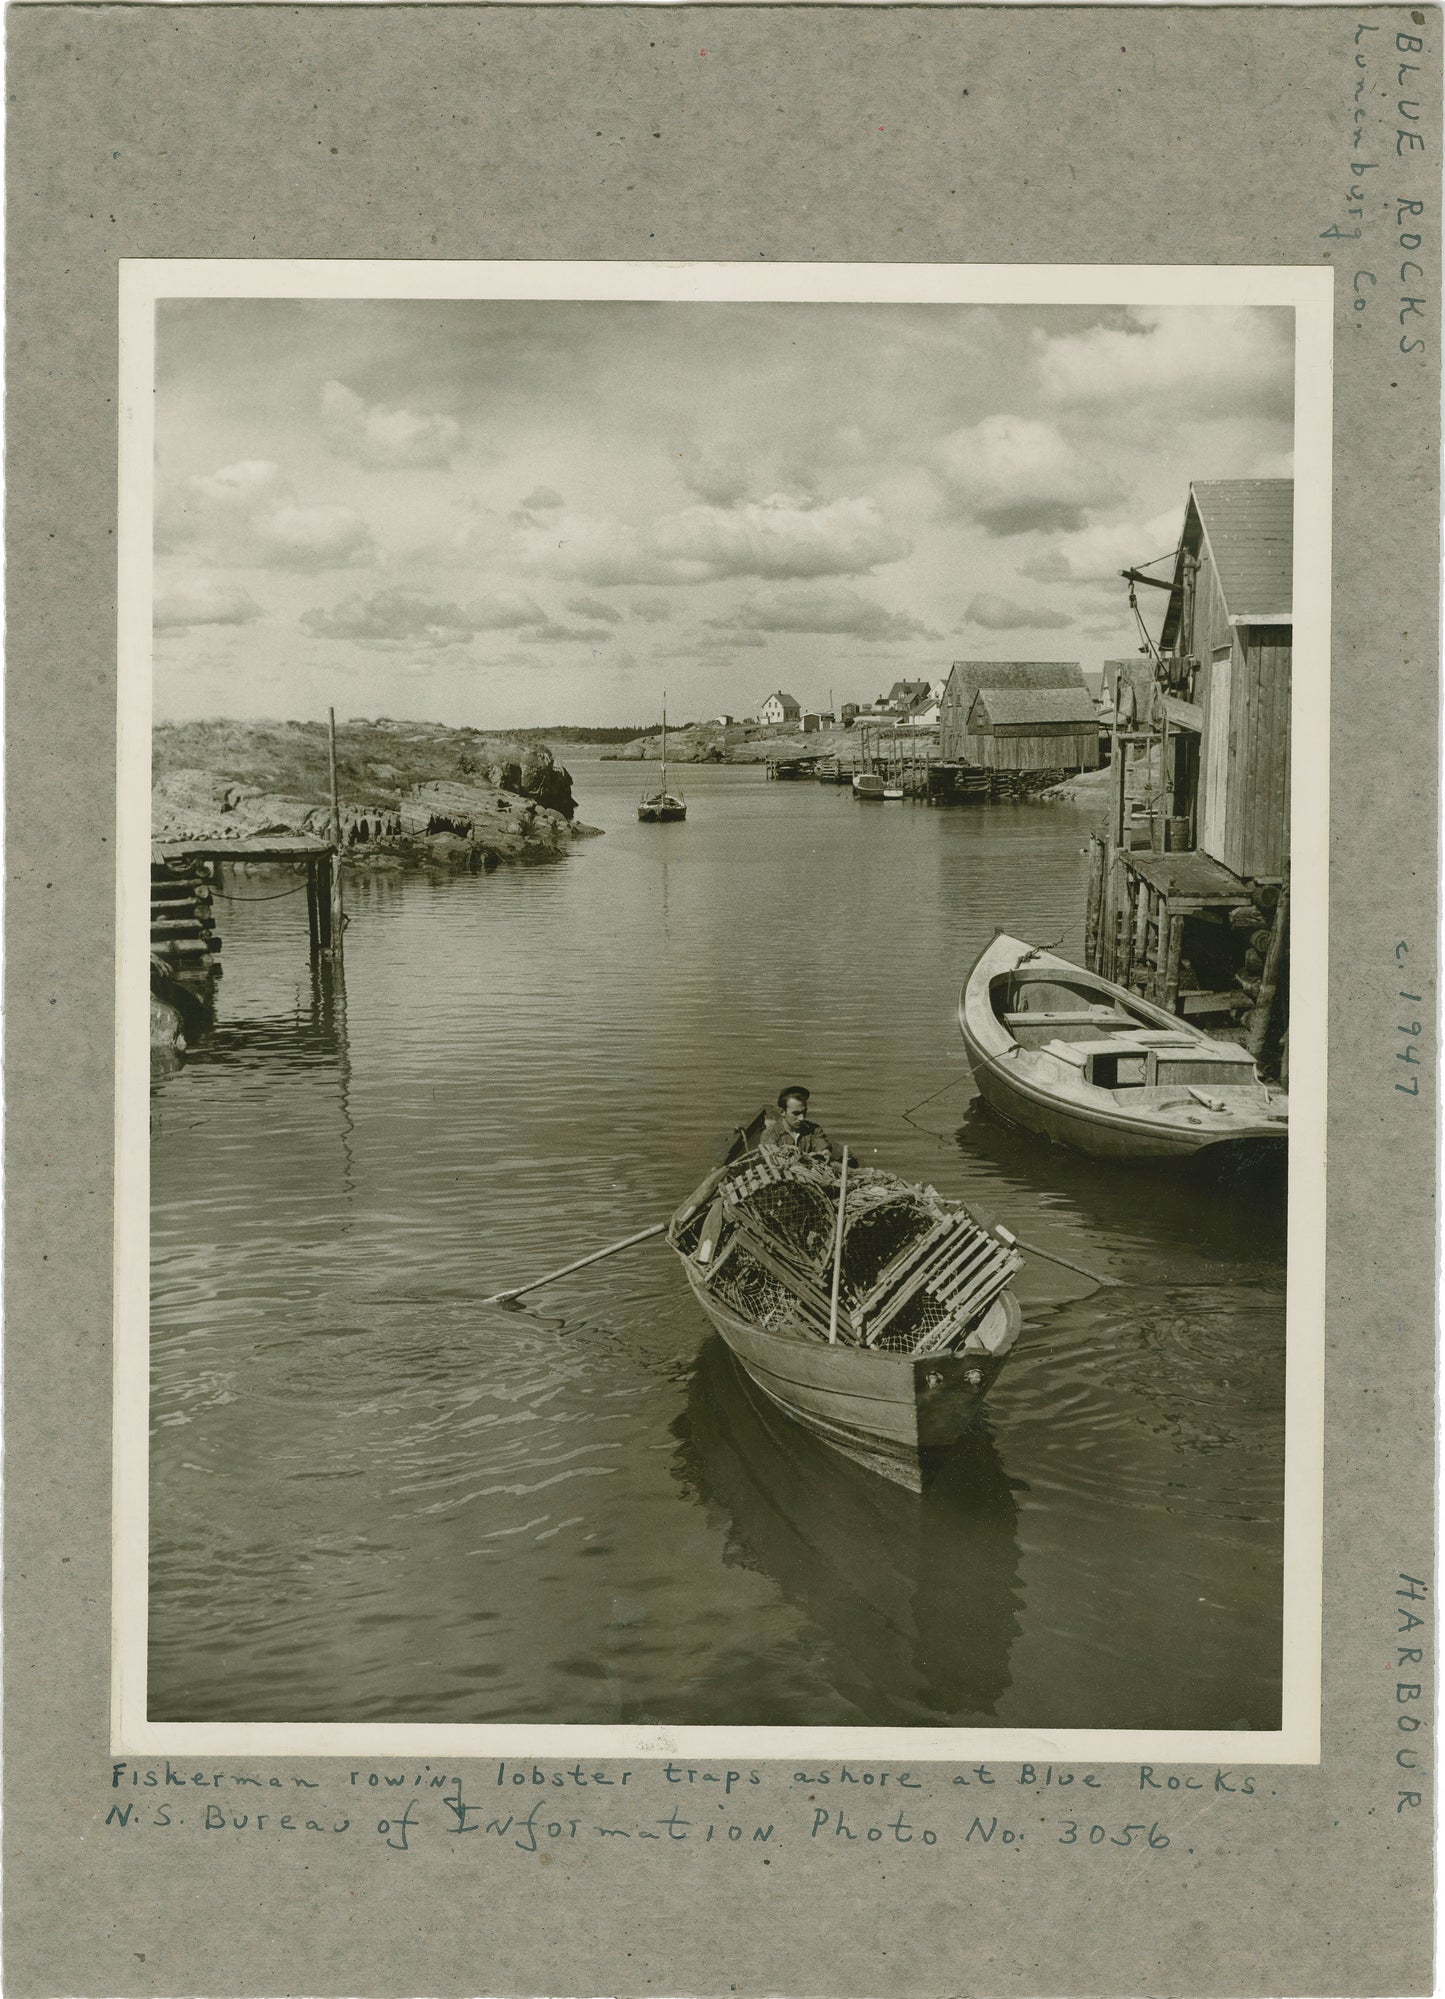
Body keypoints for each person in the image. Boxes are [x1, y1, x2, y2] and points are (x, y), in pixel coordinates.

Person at [759, 1085, 840, 1168]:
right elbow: (774, 1163)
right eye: (796, 1114)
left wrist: (824, 1154)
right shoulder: (770, 1135)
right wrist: (806, 1159)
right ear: (782, 1112)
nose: (802, 1118)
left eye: (804, 1112)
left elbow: (823, 1148)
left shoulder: (814, 1130)